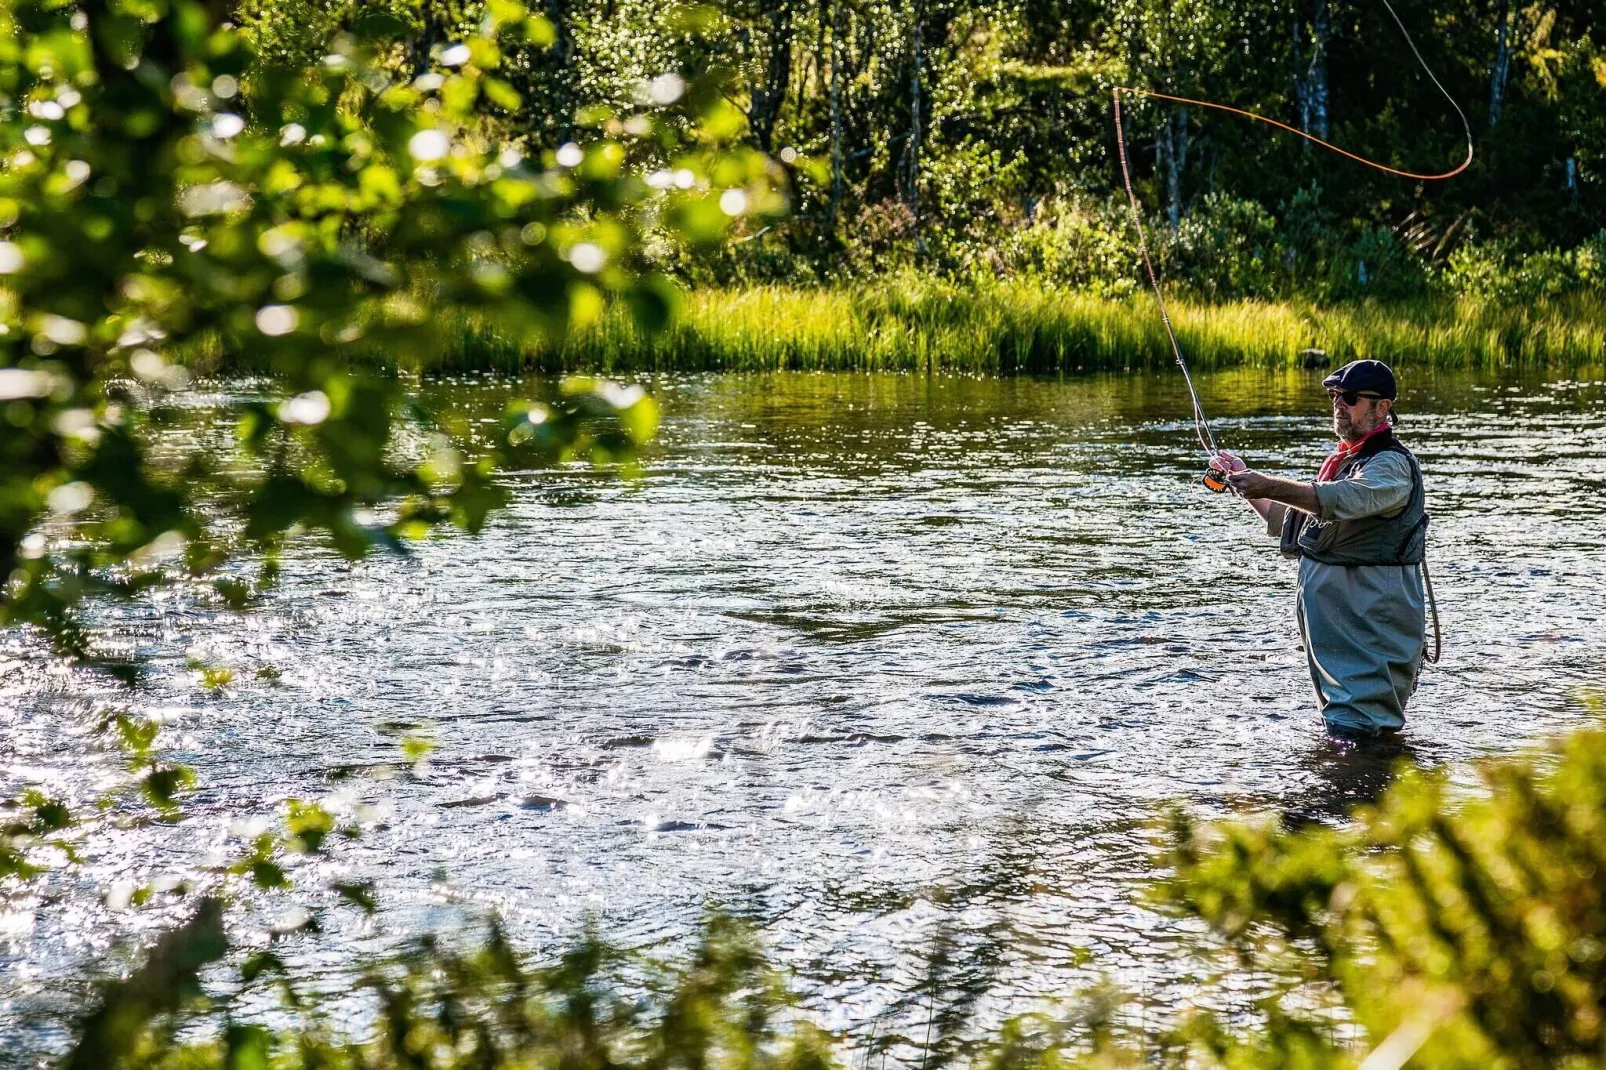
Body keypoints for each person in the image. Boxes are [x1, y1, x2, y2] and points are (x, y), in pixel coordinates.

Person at [1212, 359, 1429, 738]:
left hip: (1368, 634)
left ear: (1382, 407)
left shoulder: (1389, 467)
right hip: (1342, 645)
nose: (1338, 405)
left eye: (1349, 398)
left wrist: (1269, 484)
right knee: (1349, 734)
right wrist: (1244, 479)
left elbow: (1341, 499)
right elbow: (1292, 522)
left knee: (1361, 738)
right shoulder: (1344, 464)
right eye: (1334, 397)